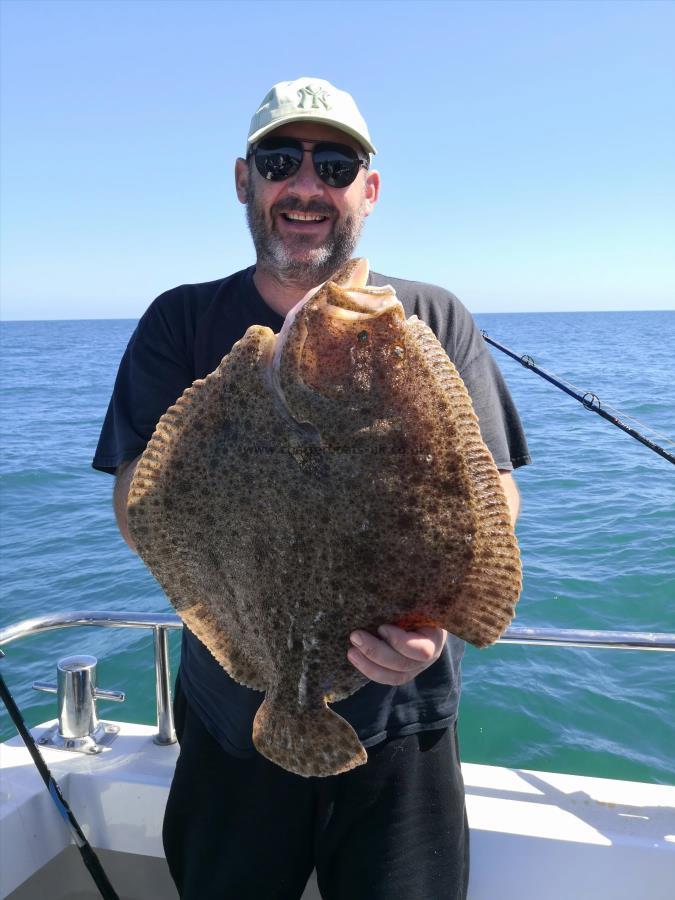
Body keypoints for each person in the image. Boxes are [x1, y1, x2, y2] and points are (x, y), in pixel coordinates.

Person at [93, 77, 530, 900]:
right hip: (231, 723)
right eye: (278, 161)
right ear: (244, 180)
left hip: (406, 720)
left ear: (367, 190)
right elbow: (137, 503)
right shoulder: (179, 321)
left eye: (333, 165)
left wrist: (426, 620)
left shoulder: (431, 317)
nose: (304, 184)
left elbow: (491, 497)